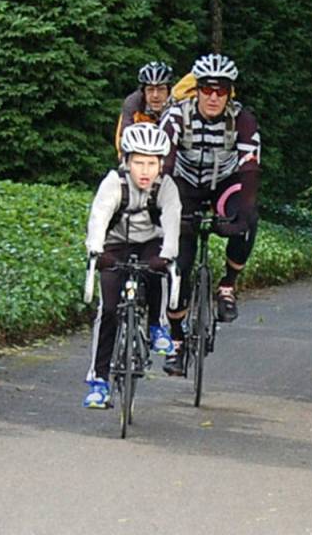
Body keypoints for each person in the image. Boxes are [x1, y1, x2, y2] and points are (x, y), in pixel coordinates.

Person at [159, 54, 261, 375]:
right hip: (185, 186)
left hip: (224, 186)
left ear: (230, 93)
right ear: (196, 90)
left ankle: (227, 286)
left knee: (248, 216)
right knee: (179, 268)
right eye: (206, 89)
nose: (213, 97)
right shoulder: (177, 116)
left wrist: (238, 214)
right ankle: (175, 343)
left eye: (221, 90)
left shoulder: (242, 119)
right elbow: (164, 164)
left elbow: (250, 169)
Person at [83, 123, 182, 409]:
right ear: (126, 161)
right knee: (110, 310)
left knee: (155, 275)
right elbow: (99, 217)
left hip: (150, 242)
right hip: (115, 246)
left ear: (161, 164)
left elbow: (172, 222)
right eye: (138, 162)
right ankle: (98, 381)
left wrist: (167, 255)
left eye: (152, 163)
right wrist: (96, 251)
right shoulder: (114, 183)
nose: (145, 170)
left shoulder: (166, 187)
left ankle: (156, 326)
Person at [114, 61, 174, 157]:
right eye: (150, 89)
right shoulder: (133, 103)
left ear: (169, 91)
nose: (155, 95)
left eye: (161, 89)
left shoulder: (177, 104)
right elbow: (123, 141)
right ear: (143, 91)